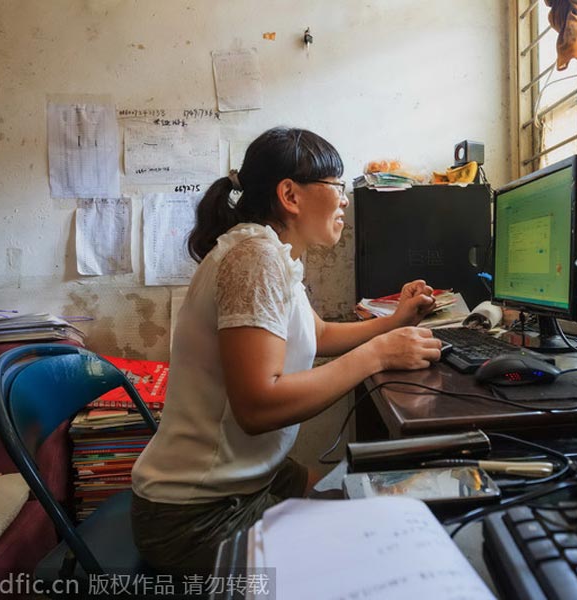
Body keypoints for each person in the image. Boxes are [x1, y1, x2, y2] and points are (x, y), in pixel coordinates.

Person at [130, 126, 441, 573]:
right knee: (381, 554)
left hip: (251, 479)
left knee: (372, 499)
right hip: (197, 516)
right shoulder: (253, 259)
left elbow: (318, 335)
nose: (345, 199)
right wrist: (378, 354)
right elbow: (257, 407)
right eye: (337, 186)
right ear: (290, 195)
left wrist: (395, 322)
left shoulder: (271, 255)